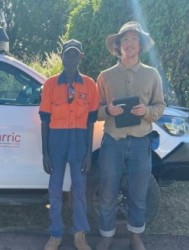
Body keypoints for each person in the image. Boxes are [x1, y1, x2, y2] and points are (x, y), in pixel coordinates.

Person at [95, 21, 166, 250]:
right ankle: (107, 235)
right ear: (118, 45)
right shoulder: (105, 76)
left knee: (138, 193)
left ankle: (135, 236)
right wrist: (108, 111)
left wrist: (147, 112)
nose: (129, 43)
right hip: (112, 142)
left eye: (134, 38)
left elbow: (160, 106)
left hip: (139, 143)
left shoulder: (151, 74)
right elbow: (95, 109)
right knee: (107, 192)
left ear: (141, 44)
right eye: (124, 39)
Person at [39, 39, 99, 250]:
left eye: (75, 54)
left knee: (80, 189)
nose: (70, 58)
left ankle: (79, 234)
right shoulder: (50, 84)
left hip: (80, 140)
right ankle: (55, 232)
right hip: (57, 140)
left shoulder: (91, 85)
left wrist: (89, 154)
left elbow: (91, 122)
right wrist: (45, 153)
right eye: (67, 54)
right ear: (62, 57)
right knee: (54, 188)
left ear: (81, 57)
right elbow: (45, 120)